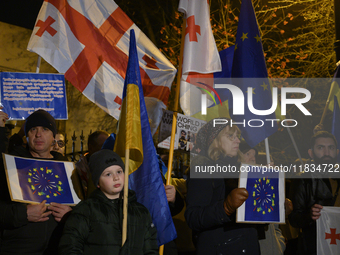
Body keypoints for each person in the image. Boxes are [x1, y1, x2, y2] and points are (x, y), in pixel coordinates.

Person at [0, 108, 72, 254]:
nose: (38, 134)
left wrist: (71, 215)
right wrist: (23, 214)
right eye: (33, 129)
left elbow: (84, 209)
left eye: (45, 129)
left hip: (57, 247)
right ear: (26, 135)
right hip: (18, 248)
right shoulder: (12, 165)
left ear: (53, 136)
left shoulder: (66, 167)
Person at [58, 149, 158, 254]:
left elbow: (150, 249)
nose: (116, 178)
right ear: (97, 182)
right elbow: (70, 247)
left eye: (119, 172)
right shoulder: (86, 210)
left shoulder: (141, 212)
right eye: (108, 174)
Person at [185, 118, 260, 255]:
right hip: (219, 248)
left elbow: (252, 214)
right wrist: (225, 208)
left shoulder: (243, 170)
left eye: (237, 136)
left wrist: (275, 208)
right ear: (215, 140)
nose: (237, 140)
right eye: (230, 136)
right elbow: (193, 217)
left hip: (248, 245)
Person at [288, 131, 339, 255]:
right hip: (314, 246)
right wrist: (310, 215)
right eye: (320, 148)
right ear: (311, 153)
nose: (327, 153)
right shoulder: (303, 179)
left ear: (337, 152)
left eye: (331, 148)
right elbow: (294, 218)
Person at [239, 140, 286, 255]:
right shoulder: (234, 186)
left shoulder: (263, 184)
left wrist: (279, 243)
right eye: (247, 154)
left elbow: (275, 225)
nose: (253, 158)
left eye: (254, 155)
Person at [73, 130, 110, 199]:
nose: (108, 151)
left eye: (109, 146)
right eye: (103, 146)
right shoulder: (77, 171)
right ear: (90, 148)